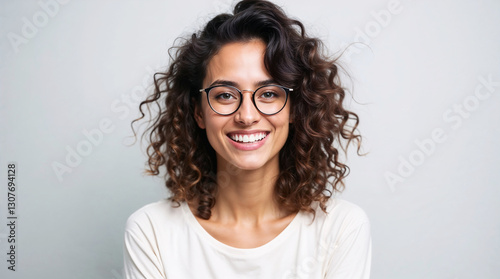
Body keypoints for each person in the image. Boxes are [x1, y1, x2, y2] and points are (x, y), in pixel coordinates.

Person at [124, 0, 371, 278]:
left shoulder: (340, 228)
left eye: (268, 94)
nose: (247, 116)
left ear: (293, 109)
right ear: (199, 113)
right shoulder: (152, 232)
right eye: (225, 95)